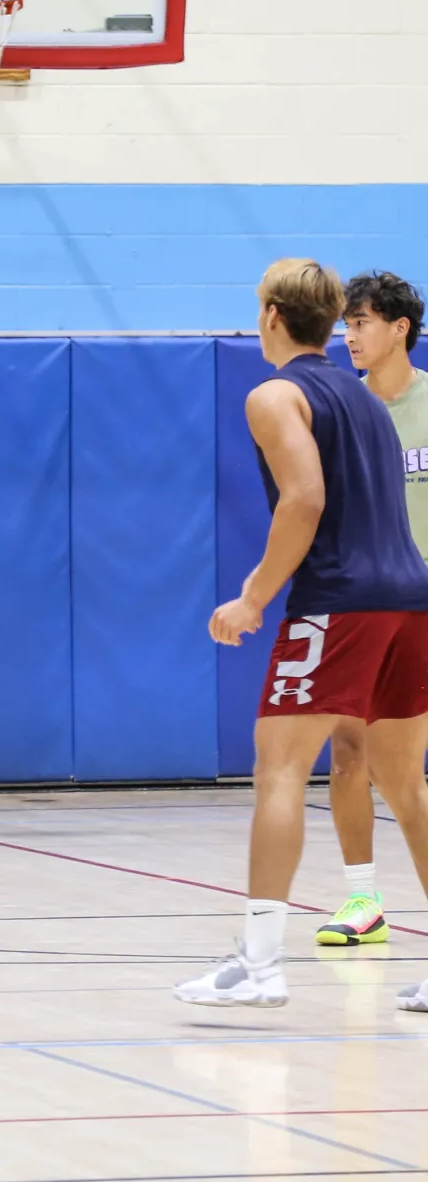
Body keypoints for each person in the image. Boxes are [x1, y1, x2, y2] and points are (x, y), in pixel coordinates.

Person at [173, 259, 428, 1011]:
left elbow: (305, 499)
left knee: (279, 771)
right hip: (410, 598)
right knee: (407, 787)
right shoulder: (366, 397)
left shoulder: (274, 394)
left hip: (340, 602)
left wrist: (254, 597)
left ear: (274, 318)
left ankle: (258, 965)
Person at [314, 272, 428, 947]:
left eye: (359, 322)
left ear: (399, 327)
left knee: (403, 776)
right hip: (363, 603)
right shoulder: (343, 410)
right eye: (344, 324)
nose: (349, 336)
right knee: (348, 753)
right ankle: (363, 897)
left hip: (419, 605)